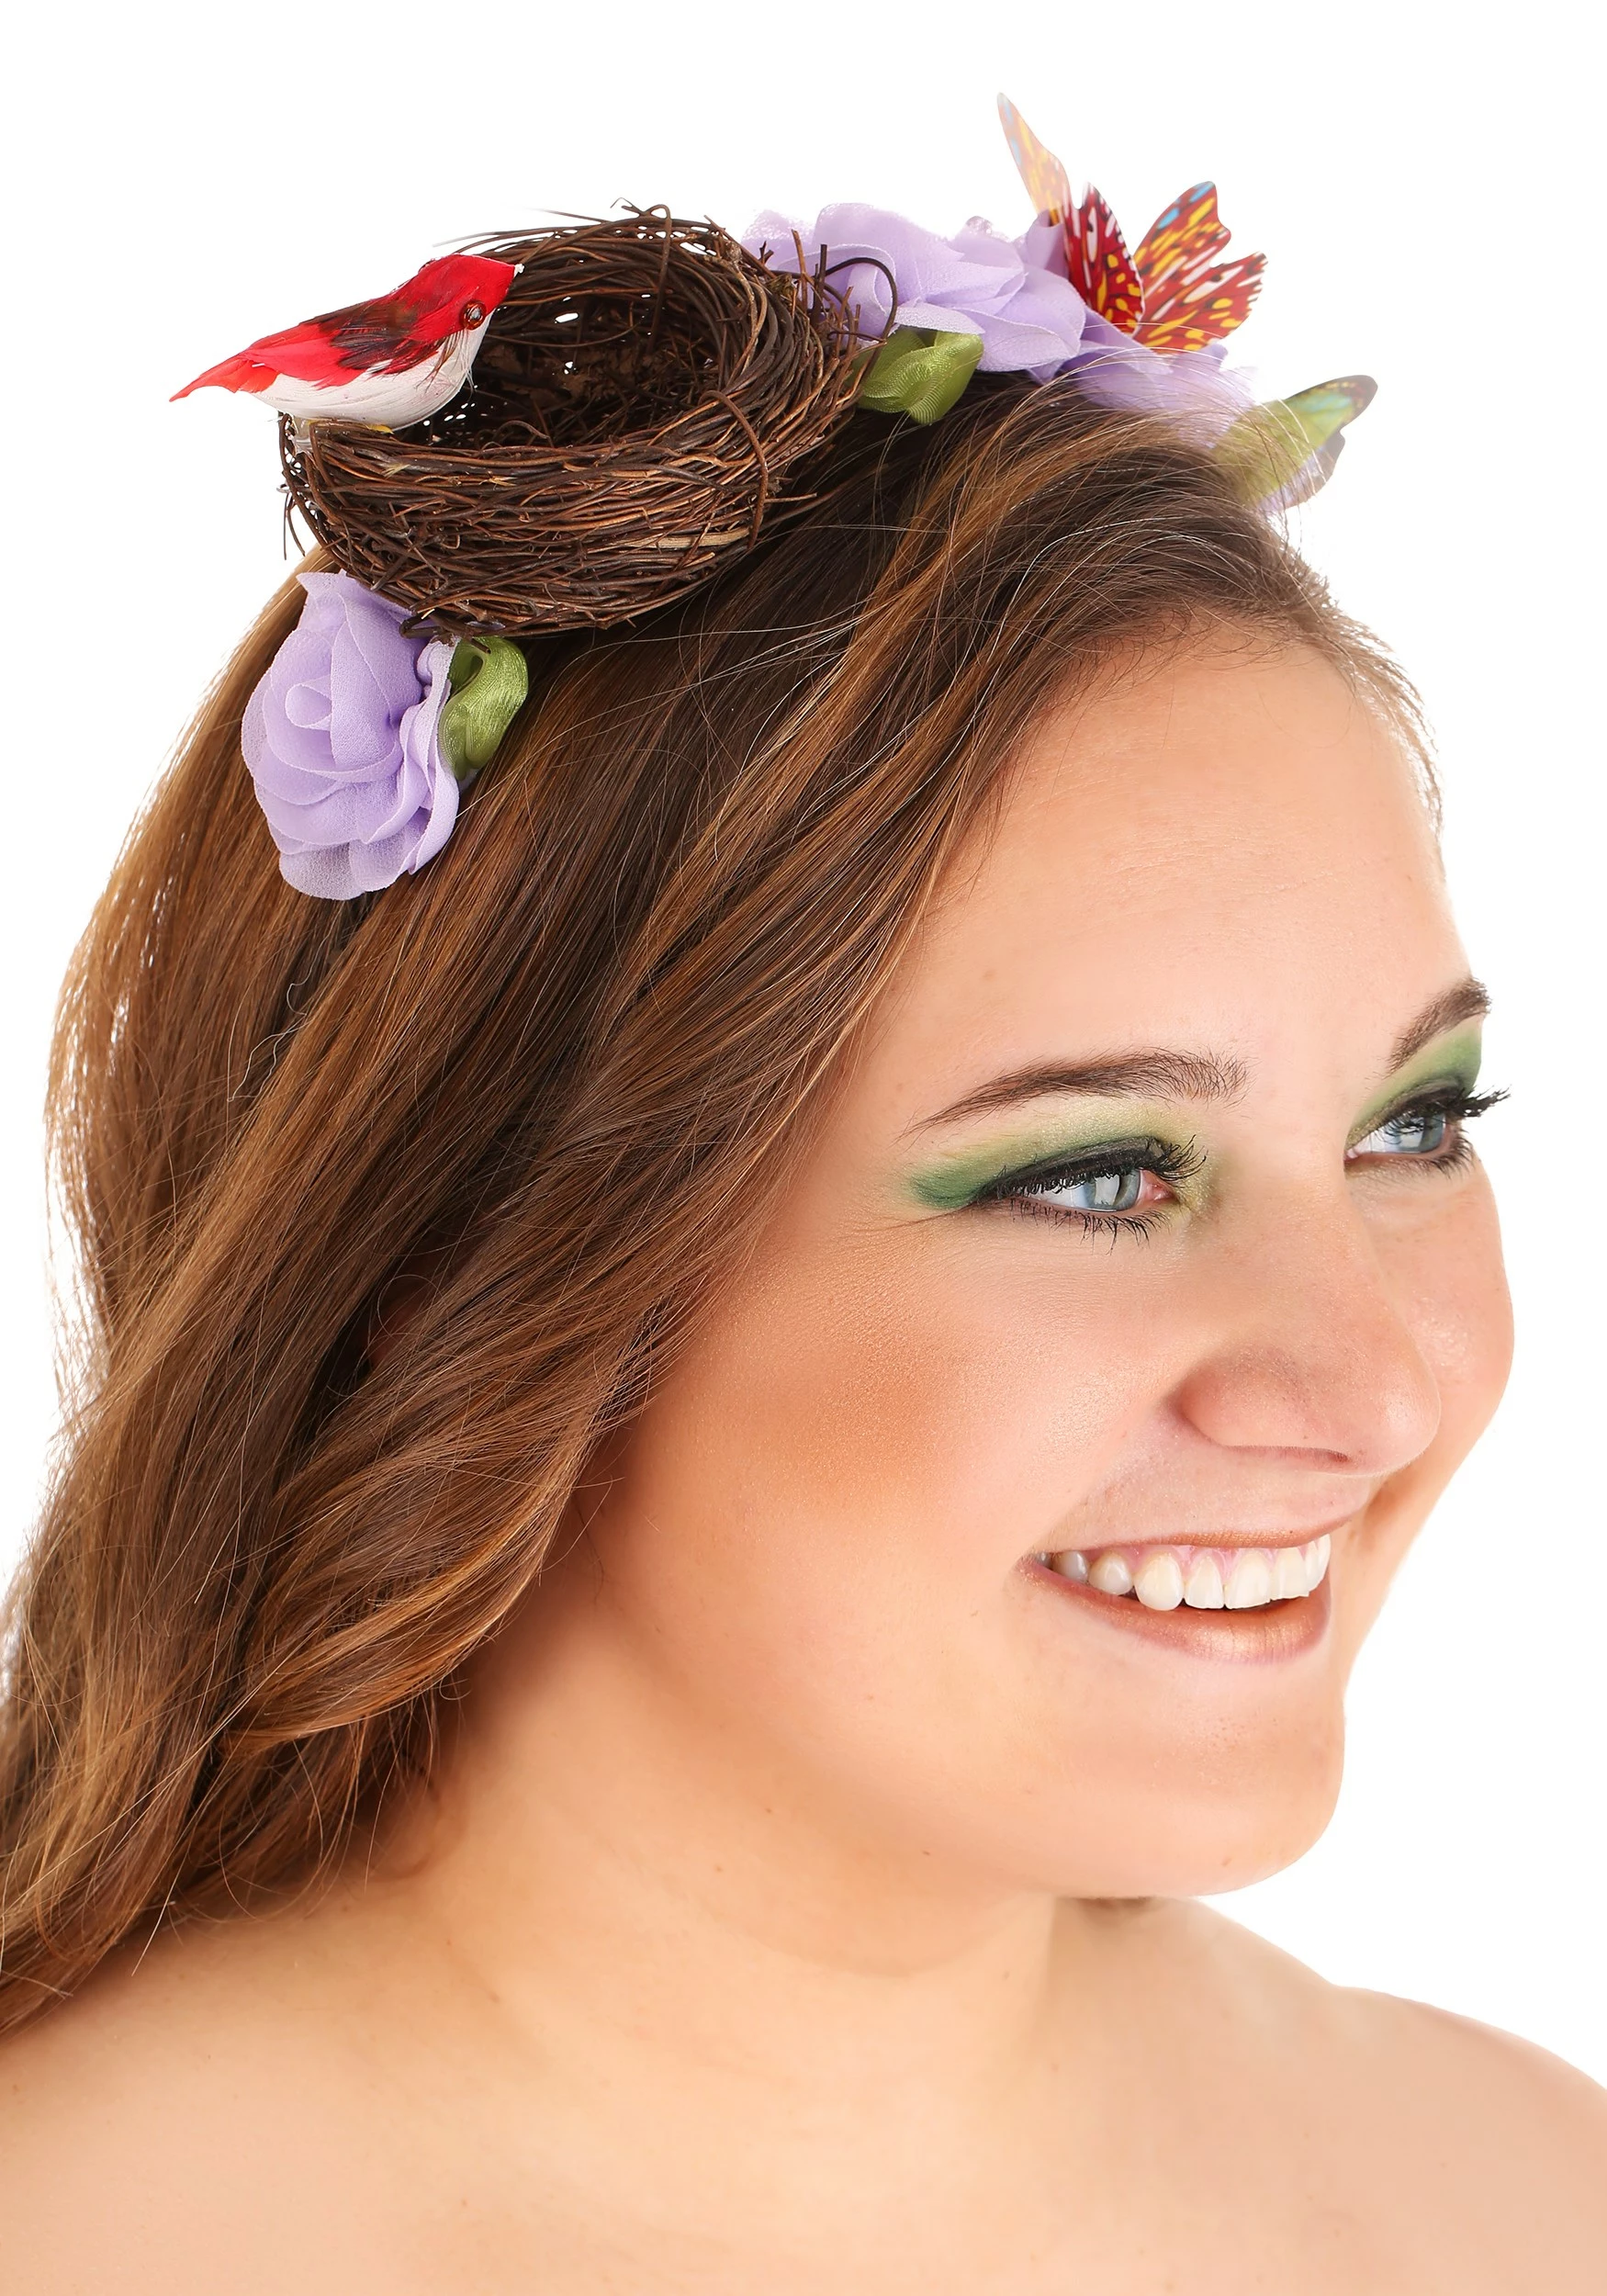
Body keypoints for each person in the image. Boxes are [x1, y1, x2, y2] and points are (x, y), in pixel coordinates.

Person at [2, 128, 1603, 2291]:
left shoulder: (1526, 2195)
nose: (1370, 1386)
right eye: (1094, 1171)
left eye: (1412, 1124)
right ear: (443, 1254)